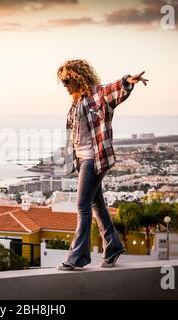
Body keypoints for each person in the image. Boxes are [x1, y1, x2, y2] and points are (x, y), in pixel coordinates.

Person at [56, 59, 148, 270]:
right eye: (62, 82)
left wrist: (128, 81)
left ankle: (77, 258)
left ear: (79, 77)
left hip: (94, 158)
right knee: (97, 204)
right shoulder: (76, 101)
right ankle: (113, 246)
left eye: (67, 80)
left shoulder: (98, 94)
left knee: (82, 206)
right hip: (81, 159)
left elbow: (114, 89)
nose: (65, 85)